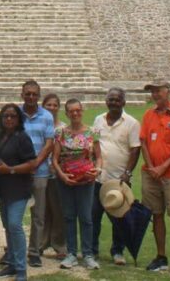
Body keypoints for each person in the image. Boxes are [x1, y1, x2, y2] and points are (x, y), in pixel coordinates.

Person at [140, 79, 170, 277]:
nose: (155, 95)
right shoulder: (148, 114)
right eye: (152, 92)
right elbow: (143, 141)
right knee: (156, 213)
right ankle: (161, 255)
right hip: (151, 173)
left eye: (157, 91)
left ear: (167, 91)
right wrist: (152, 167)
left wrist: (163, 166)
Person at [0, 103, 37, 281]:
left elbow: (32, 164)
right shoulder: (0, 136)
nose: (9, 119)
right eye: (6, 116)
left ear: (18, 118)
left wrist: (11, 170)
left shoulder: (22, 137)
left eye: (13, 116)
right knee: (8, 227)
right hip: (2, 188)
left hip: (18, 189)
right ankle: (12, 264)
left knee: (14, 225)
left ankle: (21, 270)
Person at [90, 87, 140, 265]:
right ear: (106, 101)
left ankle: (117, 251)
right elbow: (94, 142)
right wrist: (94, 165)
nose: (113, 102)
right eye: (110, 99)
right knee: (94, 217)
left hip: (119, 180)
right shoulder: (98, 119)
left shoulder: (132, 123)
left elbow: (135, 149)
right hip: (99, 178)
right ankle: (92, 251)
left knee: (119, 218)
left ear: (124, 102)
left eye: (117, 100)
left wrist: (127, 173)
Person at [53, 99, 103, 270]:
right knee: (68, 217)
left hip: (86, 180)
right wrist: (62, 176)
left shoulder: (92, 132)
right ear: (66, 113)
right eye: (71, 111)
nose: (75, 114)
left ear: (82, 111)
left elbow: (98, 157)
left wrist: (98, 170)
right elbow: (55, 159)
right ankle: (71, 253)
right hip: (66, 180)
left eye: (78, 110)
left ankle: (88, 254)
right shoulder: (60, 132)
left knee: (86, 217)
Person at [19, 80, 54, 268]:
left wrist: (34, 164)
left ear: (39, 96)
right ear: (22, 94)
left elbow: (49, 144)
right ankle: (13, 249)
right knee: (14, 213)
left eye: (34, 94)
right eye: (28, 93)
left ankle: (34, 251)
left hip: (39, 172)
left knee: (38, 214)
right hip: (18, 172)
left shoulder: (46, 116)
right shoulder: (15, 114)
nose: (31, 97)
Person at [40, 92, 67, 258]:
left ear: (59, 107)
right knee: (41, 210)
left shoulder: (63, 128)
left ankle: (59, 244)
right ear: (43, 106)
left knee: (58, 210)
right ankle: (40, 243)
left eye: (54, 105)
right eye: (48, 104)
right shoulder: (38, 124)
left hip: (57, 173)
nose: (51, 107)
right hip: (41, 172)